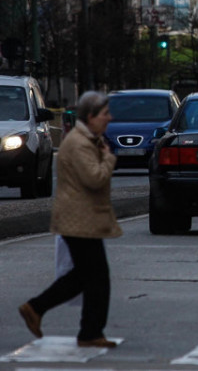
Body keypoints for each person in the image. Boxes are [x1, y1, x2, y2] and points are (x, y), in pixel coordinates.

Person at [18, 91, 121, 348]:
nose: (109, 118)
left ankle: (44, 311)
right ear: (91, 116)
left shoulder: (87, 140)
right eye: (105, 114)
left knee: (87, 276)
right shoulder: (80, 143)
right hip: (80, 220)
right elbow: (94, 178)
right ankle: (84, 329)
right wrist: (108, 158)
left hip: (83, 219)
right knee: (95, 277)